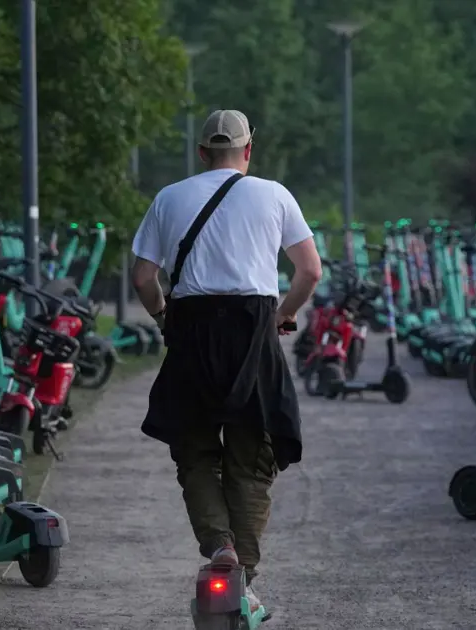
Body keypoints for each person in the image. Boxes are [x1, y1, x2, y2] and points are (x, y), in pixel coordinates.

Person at [130, 109, 322, 613]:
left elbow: (144, 277)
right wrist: (284, 314)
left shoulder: (169, 197)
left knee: (194, 451)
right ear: (248, 150)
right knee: (251, 459)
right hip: (253, 332)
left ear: (201, 152)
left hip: (192, 332)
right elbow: (309, 271)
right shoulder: (274, 195)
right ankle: (244, 582)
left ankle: (220, 547)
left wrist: (163, 318)